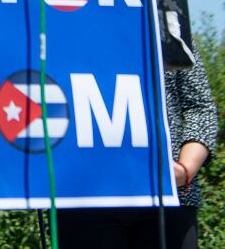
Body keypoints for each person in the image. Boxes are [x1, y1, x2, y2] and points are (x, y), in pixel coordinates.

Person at [57, 47, 217, 249]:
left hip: (170, 197)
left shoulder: (168, 27)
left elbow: (201, 107)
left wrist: (185, 170)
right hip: (85, 197)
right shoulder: (66, 30)